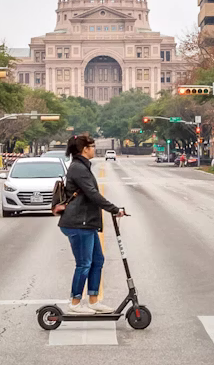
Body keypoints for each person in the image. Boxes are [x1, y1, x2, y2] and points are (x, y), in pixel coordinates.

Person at [55, 134, 126, 314]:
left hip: (86, 222)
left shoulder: (83, 166)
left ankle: (93, 300)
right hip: (78, 222)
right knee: (84, 263)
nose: (94, 149)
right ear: (84, 149)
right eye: (92, 146)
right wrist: (114, 209)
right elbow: (92, 194)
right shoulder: (78, 168)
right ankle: (75, 302)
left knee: (97, 260)